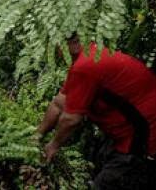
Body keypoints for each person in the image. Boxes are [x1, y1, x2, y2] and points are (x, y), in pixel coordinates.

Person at [37, 36, 156, 189]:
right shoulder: (90, 56)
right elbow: (59, 104)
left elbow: (71, 119)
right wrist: (37, 136)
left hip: (143, 138)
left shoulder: (86, 66)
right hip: (129, 134)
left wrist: (52, 146)